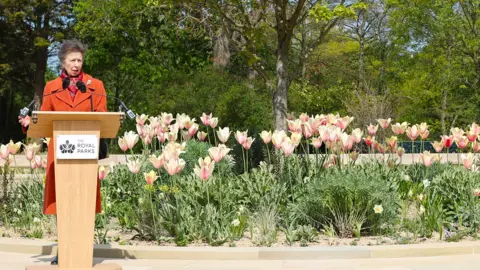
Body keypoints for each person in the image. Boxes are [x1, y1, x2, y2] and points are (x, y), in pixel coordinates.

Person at [18, 40, 107, 265]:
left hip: (85, 154)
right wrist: (29, 124)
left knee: (83, 201)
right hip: (60, 154)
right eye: (72, 60)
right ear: (63, 62)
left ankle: (83, 250)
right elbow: (44, 119)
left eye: (79, 60)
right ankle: (65, 249)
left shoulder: (96, 85)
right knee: (63, 202)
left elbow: (104, 118)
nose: (76, 65)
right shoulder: (51, 87)